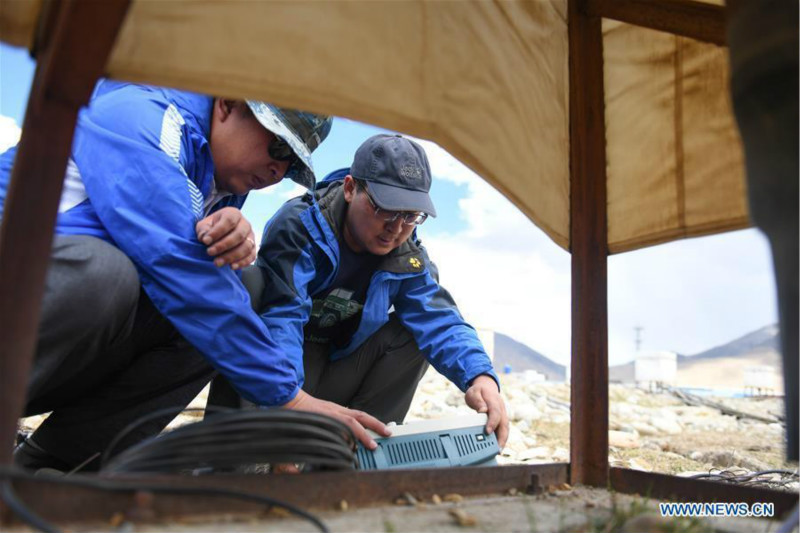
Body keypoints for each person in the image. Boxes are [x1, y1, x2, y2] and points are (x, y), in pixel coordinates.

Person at [1, 80, 389, 472]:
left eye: (292, 164)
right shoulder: (143, 117)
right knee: (106, 273)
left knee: (238, 287)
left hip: (48, 350)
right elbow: (176, 264)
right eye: (277, 146)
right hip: (31, 309)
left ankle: (51, 467)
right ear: (228, 104)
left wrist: (220, 233)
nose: (278, 169)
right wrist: (291, 399)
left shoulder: (221, 180)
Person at [210, 134, 509, 447]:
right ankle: (240, 449)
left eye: (410, 215)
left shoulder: (407, 256)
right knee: (252, 285)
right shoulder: (300, 224)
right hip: (282, 372)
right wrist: (288, 414)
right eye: (385, 209)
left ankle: (361, 453)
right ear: (351, 189)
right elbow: (283, 316)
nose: (396, 228)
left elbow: (440, 320)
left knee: (412, 332)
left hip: (341, 369)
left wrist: (481, 376)